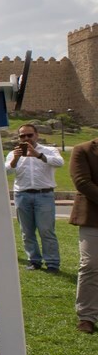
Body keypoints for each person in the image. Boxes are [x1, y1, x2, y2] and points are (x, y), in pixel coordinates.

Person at [7, 123, 63, 272]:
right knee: (27, 231)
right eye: (22, 136)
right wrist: (16, 159)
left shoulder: (49, 150)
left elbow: (59, 163)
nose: (26, 138)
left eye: (29, 135)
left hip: (44, 194)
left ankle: (52, 263)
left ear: (36, 135)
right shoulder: (14, 153)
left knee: (46, 230)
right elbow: (6, 171)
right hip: (22, 195)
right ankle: (34, 261)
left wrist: (38, 155)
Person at [68, 139, 98, 334]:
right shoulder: (83, 149)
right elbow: (82, 182)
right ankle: (87, 316)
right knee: (90, 265)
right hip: (93, 217)